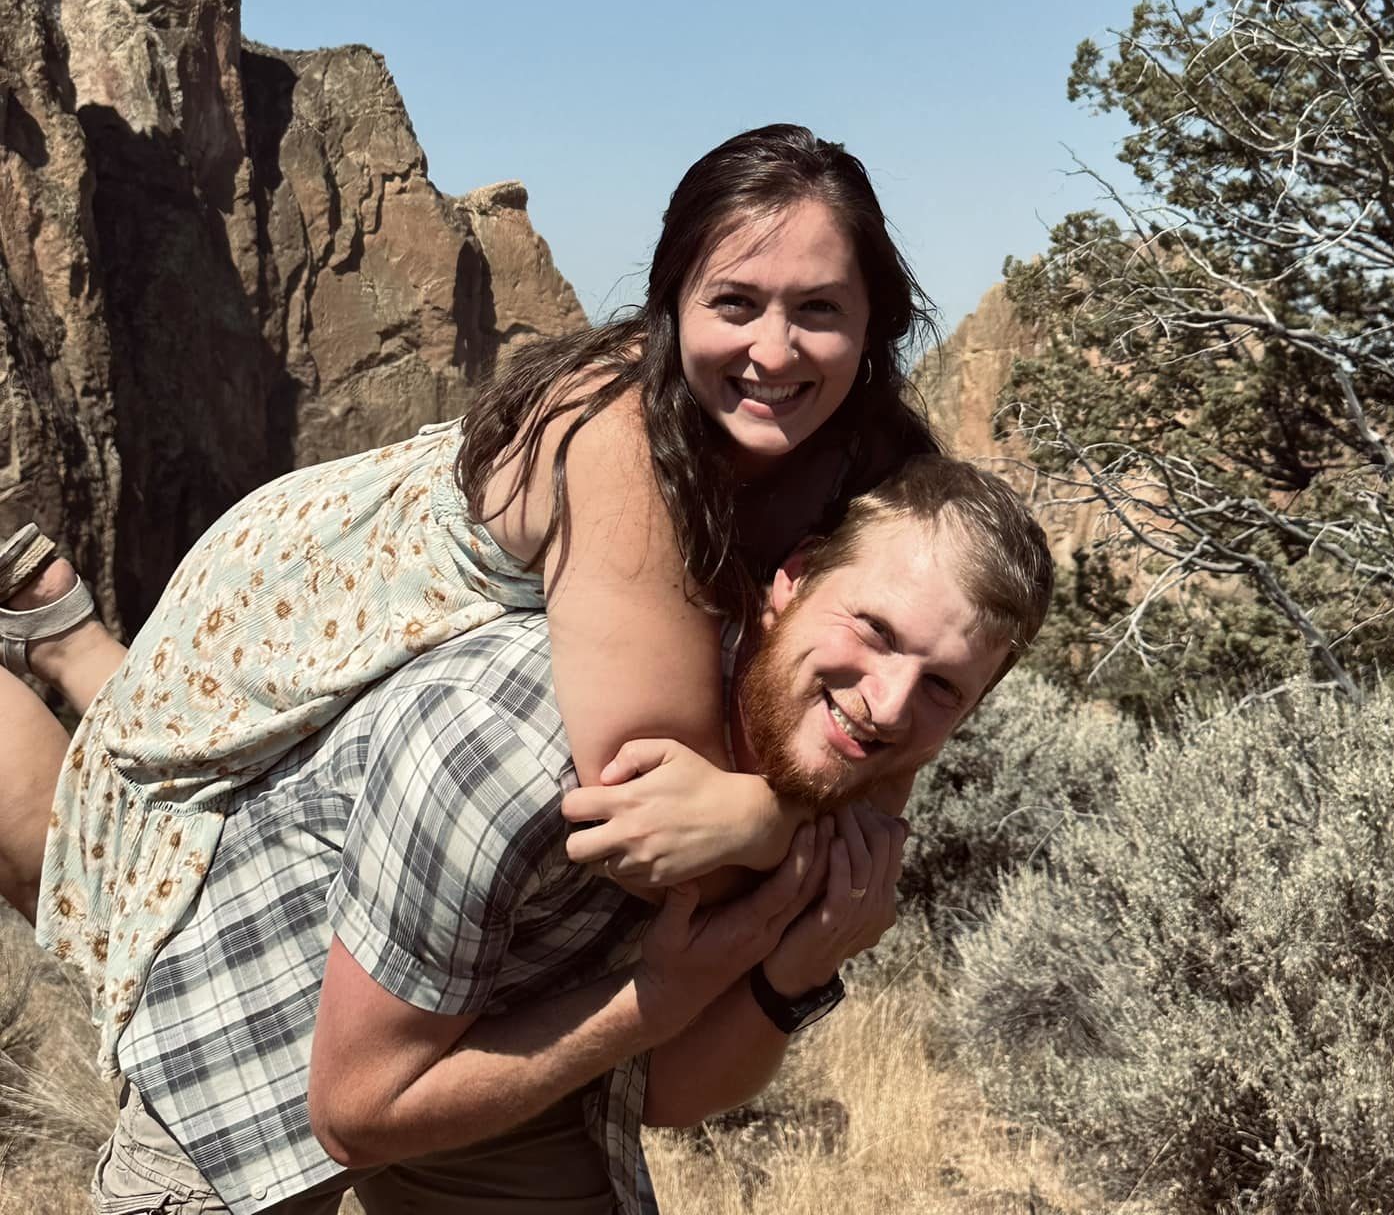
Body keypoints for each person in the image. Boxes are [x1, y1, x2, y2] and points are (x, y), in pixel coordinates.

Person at [0, 123, 941, 1065]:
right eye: (734, 303)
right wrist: (770, 818)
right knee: (99, 876)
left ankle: (84, 655)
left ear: (872, 325)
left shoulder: (880, 465)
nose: (773, 351)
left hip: (384, 615)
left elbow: (902, 739)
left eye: (818, 309)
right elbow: (649, 827)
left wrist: (774, 814)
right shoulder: (620, 434)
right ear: (670, 308)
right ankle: (79, 658)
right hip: (301, 606)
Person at [89, 455, 1054, 1215]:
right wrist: (654, 996)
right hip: (269, 1043)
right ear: (790, 579)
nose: (886, 708)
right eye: (876, 633)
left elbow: (669, 1091)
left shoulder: (837, 787)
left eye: (942, 689)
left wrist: (791, 972)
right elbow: (356, 1113)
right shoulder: (506, 749)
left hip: (514, 1049)